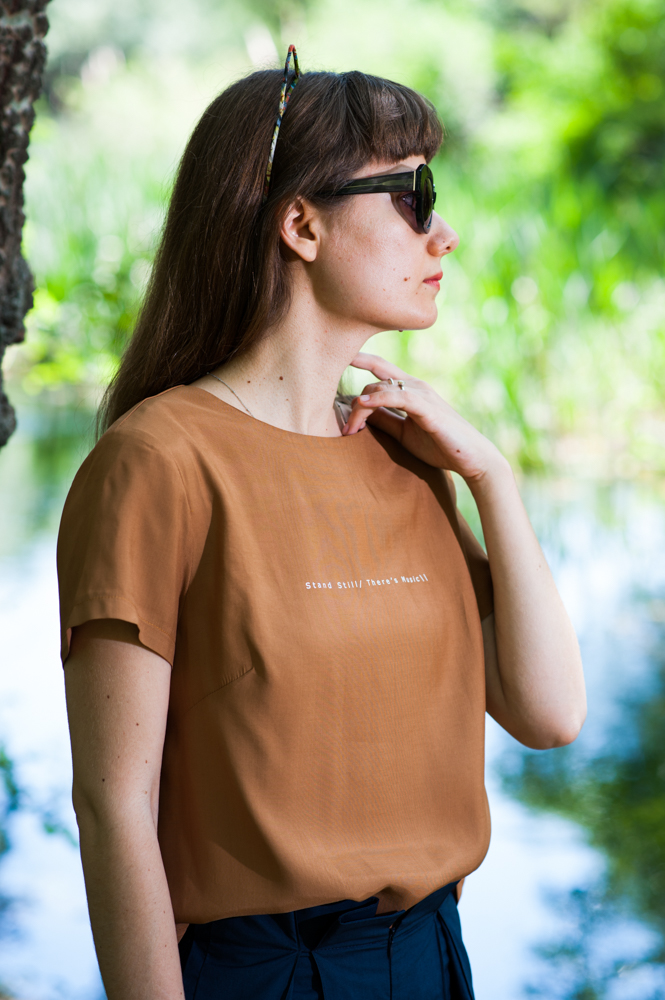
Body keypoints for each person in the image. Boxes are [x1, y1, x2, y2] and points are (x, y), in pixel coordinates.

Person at [58, 48, 586, 1000]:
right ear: (300, 224)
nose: (444, 235)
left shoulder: (407, 454)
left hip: (430, 959)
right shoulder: (158, 463)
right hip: (263, 975)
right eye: (413, 196)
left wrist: (490, 478)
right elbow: (112, 809)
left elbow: (548, 714)